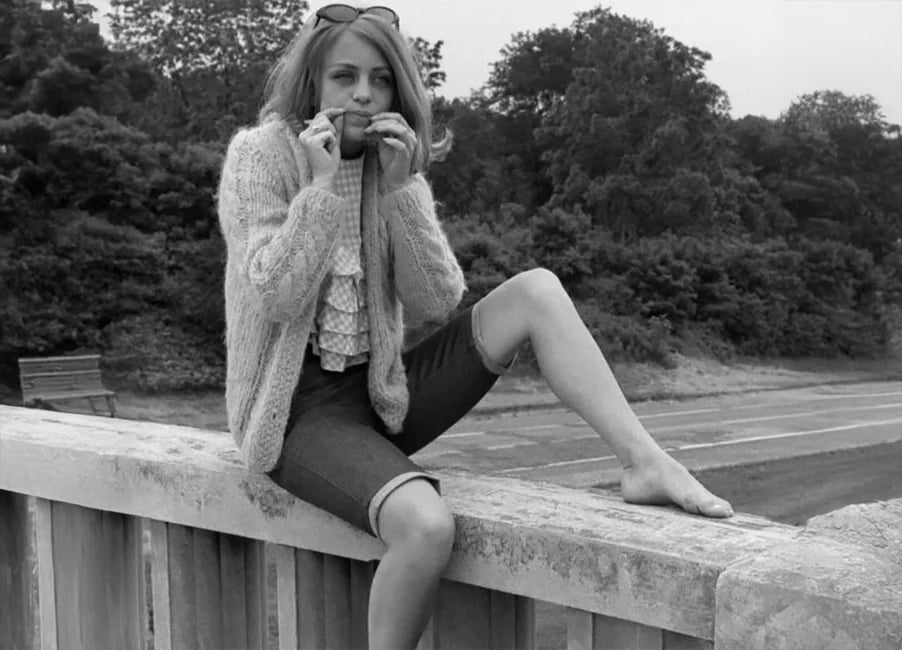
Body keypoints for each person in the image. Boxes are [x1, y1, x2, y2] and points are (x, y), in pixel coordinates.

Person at [217, 4, 733, 648]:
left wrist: (405, 191)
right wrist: (320, 192)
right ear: (310, 84)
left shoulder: (388, 165)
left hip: (382, 392)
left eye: (380, 79)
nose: (363, 94)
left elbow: (436, 299)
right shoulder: (259, 155)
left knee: (537, 291)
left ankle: (644, 462)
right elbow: (274, 294)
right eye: (343, 77)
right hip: (294, 414)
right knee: (427, 527)